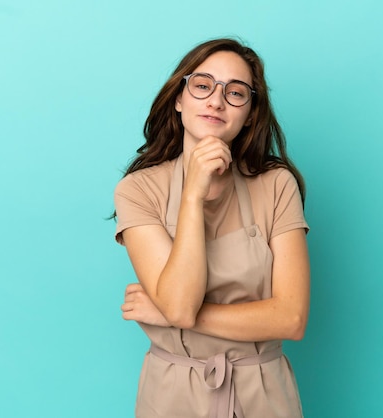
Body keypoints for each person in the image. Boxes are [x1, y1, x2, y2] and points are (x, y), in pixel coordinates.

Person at [113, 38, 310, 418]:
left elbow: (291, 318)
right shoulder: (137, 190)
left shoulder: (275, 184)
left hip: (265, 395)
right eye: (203, 85)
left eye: (236, 93)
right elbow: (180, 305)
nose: (216, 101)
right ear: (179, 98)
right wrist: (192, 194)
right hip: (171, 397)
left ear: (251, 113)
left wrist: (168, 313)